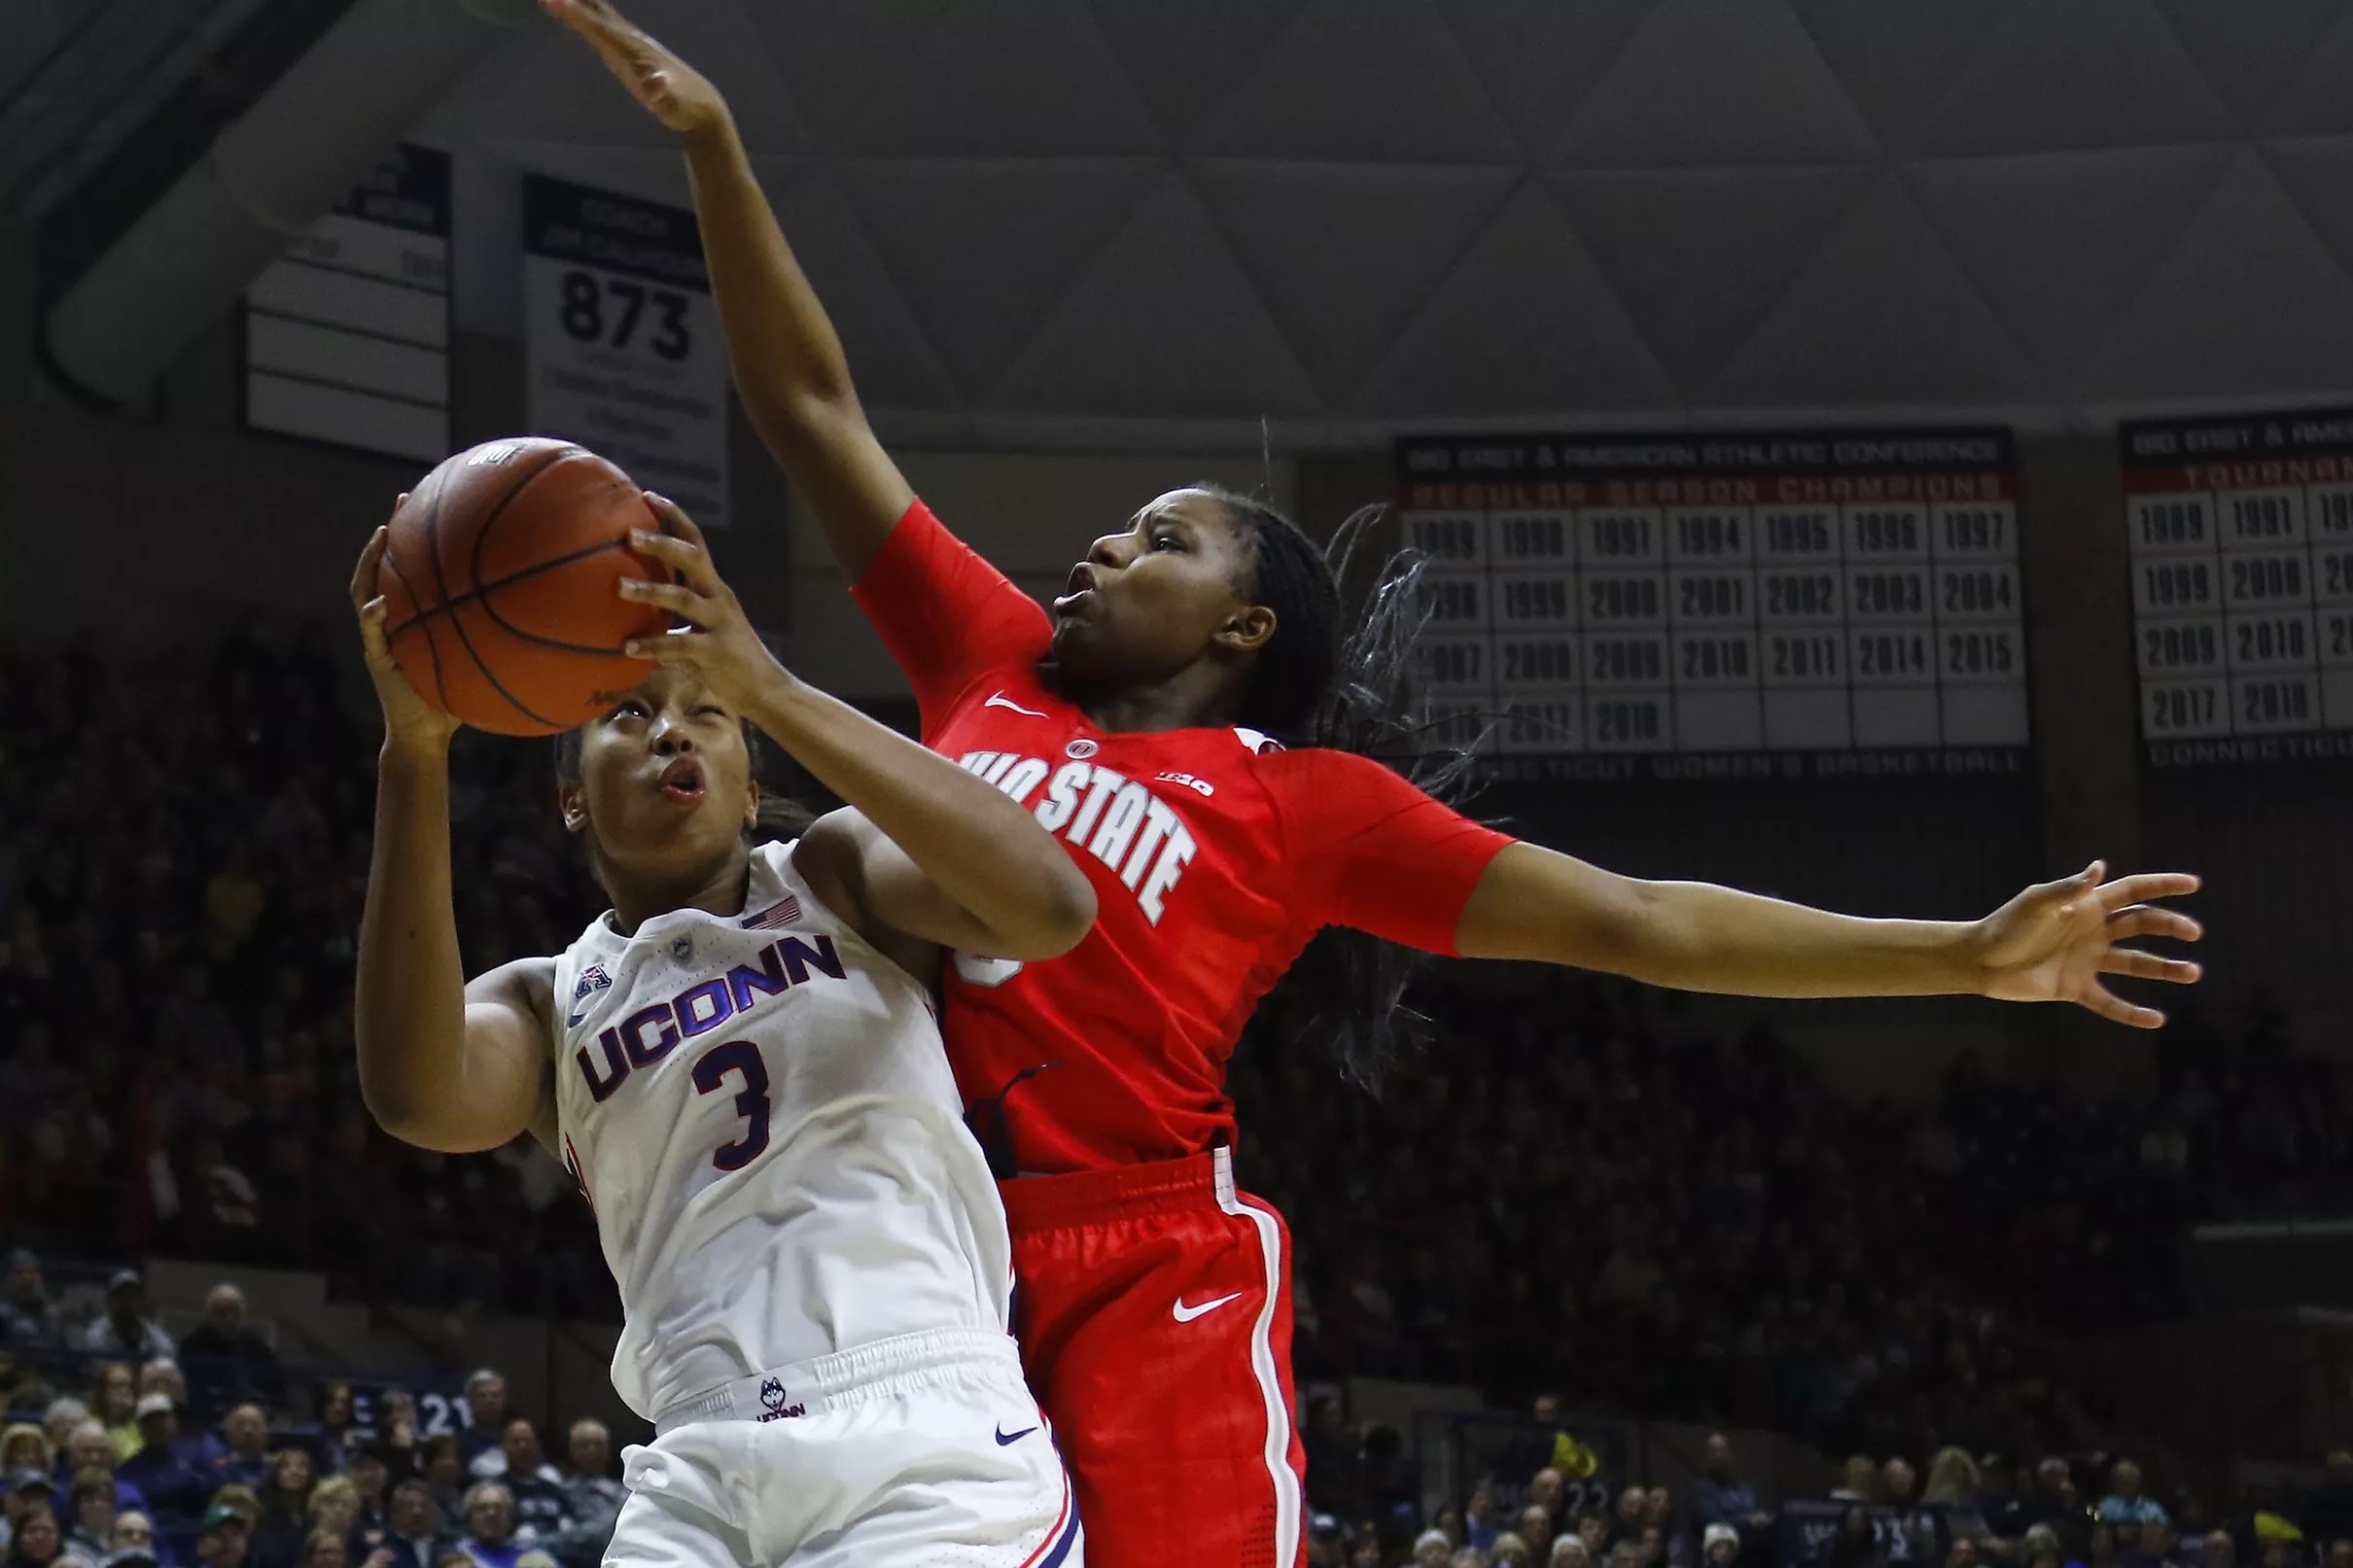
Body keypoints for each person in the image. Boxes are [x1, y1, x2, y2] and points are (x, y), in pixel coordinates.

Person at [542, 3, 2208, 1560]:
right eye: (1120, 527)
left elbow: (1641, 921)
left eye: (1163, 536)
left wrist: (1961, 954)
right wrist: (717, 150)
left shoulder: (1306, 801)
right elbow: (814, 406)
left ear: (1246, 618)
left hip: (1141, 1261)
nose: (1108, 544)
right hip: (914, 1248)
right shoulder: (992, 666)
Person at [348, 496, 1093, 1568]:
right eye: (627, 712)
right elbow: (415, 1094)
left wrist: (774, 689)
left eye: (707, 713)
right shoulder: (549, 997)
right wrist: (412, 752)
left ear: (752, 788)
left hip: (918, 1430)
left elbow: (1050, 905)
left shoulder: (838, 877)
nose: (669, 728)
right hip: (697, 1462)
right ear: (571, 797)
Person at [176, 1291, 280, 1429]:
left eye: (234, 1312)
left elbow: (277, 1393)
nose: (228, 1318)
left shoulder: (257, 1347)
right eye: (221, 1312)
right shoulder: (192, 1345)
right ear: (210, 1315)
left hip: (246, 1422)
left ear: (243, 1314)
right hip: (202, 1421)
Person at [80, 1279, 171, 1367]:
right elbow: (98, 1369)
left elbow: (167, 1350)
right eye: (122, 1296)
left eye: (133, 1296)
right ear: (111, 1300)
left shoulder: (151, 1331)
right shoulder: (97, 1333)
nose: (128, 1302)